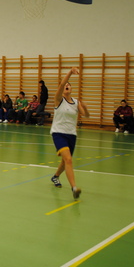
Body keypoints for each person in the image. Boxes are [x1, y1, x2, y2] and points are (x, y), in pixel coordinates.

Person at [49, 67, 90, 200]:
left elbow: (86, 115)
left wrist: (86, 108)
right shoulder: (58, 99)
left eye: (69, 85)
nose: (67, 86)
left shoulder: (76, 102)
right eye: (65, 85)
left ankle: (55, 177)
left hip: (71, 134)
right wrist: (70, 73)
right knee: (68, 159)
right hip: (58, 133)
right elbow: (62, 84)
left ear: (72, 89)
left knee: (65, 161)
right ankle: (74, 188)